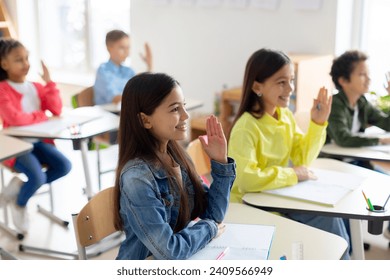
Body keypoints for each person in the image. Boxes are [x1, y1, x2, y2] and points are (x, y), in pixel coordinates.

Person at [227, 48, 350, 259]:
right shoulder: (246, 127)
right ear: (257, 86)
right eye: (281, 82)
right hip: (251, 204)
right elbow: (247, 180)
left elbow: (303, 158)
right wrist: (292, 174)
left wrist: (318, 123)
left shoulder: (284, 116)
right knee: (328, 222)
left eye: (291, 80)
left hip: (276, 196)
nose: (290, 88)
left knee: (333, 217)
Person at [113, 72, 236, 260]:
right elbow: (171, 251)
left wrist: (220, 162)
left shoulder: (177, 157)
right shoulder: (137, 178)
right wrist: (209, 229)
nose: (186, 116)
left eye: (184, 106)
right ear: (145, 120)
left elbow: (213, 214)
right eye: (174, 109)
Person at [0, 38, 72, 233]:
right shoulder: (3, 89)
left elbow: (56, 109)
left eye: (26, 58)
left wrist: (49, 82)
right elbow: (14, 118)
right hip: (15, 146)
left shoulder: (35, 87)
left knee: (64, 166)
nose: (25, 63)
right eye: (18, 60)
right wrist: (41, 116)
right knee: (37, 177)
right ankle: (20, 204)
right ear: (4, 64)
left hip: (38, 143)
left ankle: (19, 189)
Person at [327, 50, 390, 240]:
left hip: (356, 163)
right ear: (344, 81)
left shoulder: (361, 102)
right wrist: (379, 140)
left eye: (367, 73)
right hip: (335, 166)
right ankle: (350, 243)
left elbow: (386, 123)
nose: (368, 79)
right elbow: (343, 138)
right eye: (362, 74)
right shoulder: (335, 103)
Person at [93, 29, 153, 105]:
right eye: (122, 48)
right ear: (109, 48)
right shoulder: (103, 70)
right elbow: (115, 99)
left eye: (128, 48)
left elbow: (141, 86)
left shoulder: (129, 71)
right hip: (108, 113)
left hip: (125, 110)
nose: (127, 52)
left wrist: (149, 66)